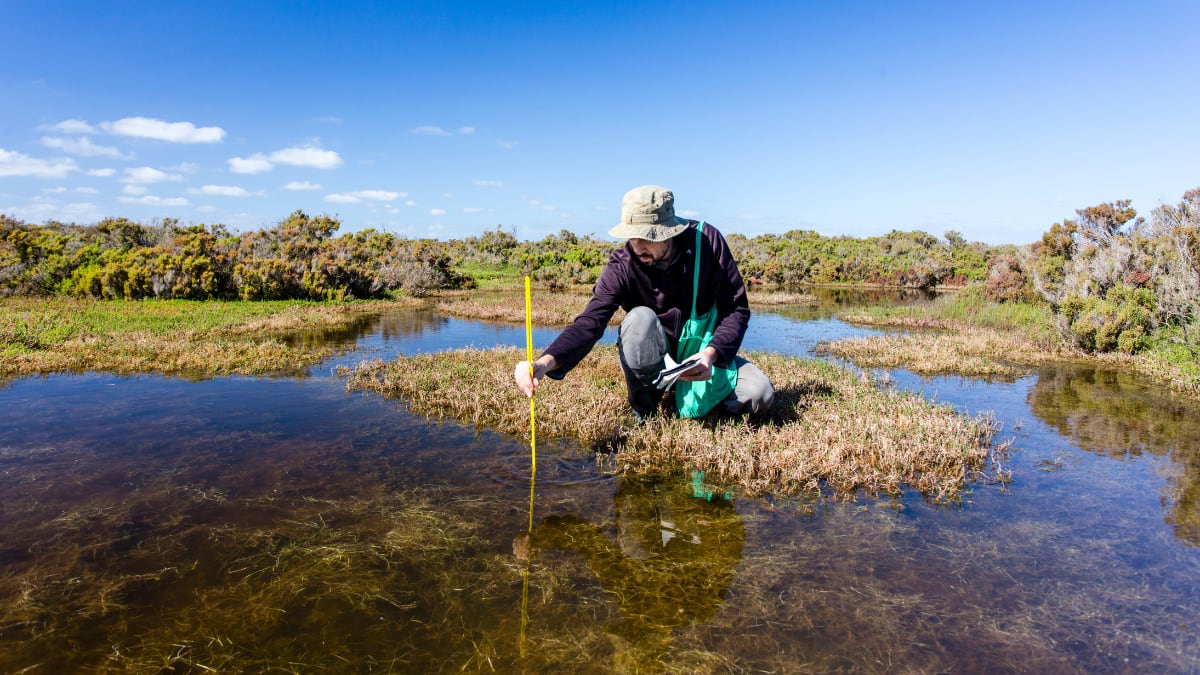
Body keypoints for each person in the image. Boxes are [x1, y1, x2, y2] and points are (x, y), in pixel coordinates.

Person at [513, 185, 774, 419]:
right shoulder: (622, 265)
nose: (637, 245)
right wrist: (542, 364)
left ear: (669, 233)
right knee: (639, 320)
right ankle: (645, 407)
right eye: (631, 236)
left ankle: (692, 399)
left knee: (759, 394)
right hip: (653, 357)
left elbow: (736, 309)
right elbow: (589, 323)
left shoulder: (707, 243)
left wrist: (711, 354)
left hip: (700, 354)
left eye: (646, 237)